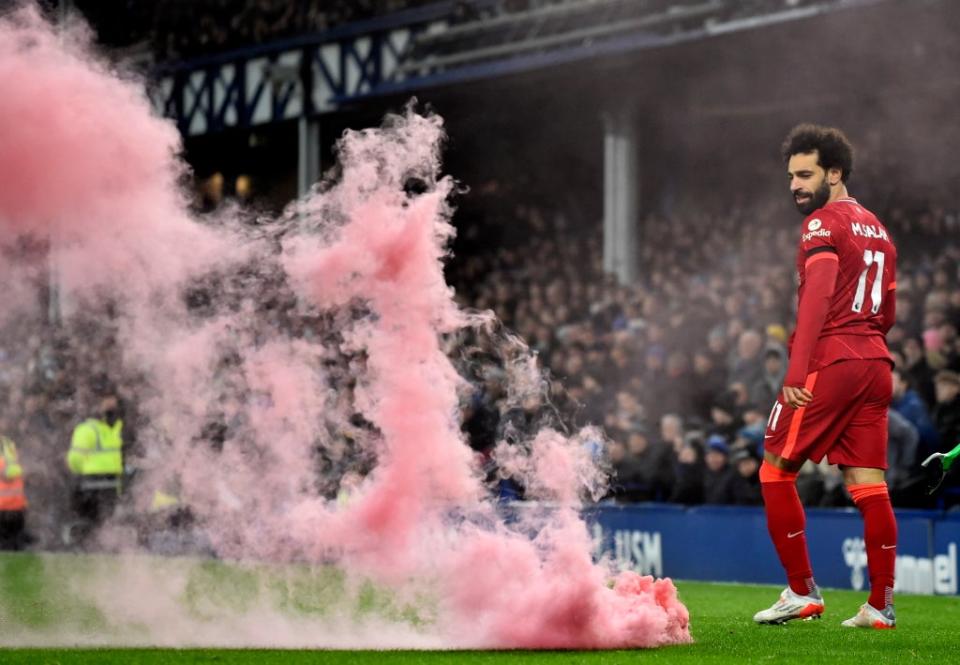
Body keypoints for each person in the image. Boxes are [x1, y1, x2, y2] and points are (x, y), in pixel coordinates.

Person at [754, 125, 899, 629]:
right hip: (876, 363)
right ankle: (880, 606)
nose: (794, 184)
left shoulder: (822, 223)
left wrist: (797, 368)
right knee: (868, 485)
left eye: (806, 174)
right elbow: (889, 311)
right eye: (791, 175)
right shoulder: (878, 228)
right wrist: (865, 344)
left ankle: (802, 592)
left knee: (775, 470)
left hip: (830, 361)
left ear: (834, 173)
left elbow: (817, 293)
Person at [65, 394, 125, 544]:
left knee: (97, 523)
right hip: (98, 484)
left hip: (100, 484)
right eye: (107, 402)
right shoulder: (91, 429)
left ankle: (89, 548)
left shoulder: (113, 428)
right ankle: (89, 547)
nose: (111, 407)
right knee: (100, 523)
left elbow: (75, 460)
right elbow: (75, 460)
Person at [0, 419, 27, 550]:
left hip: (14, 506)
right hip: (7, 507)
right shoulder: (8, 444)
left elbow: (14, 469)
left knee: (13, 545)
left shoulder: (8, 443)